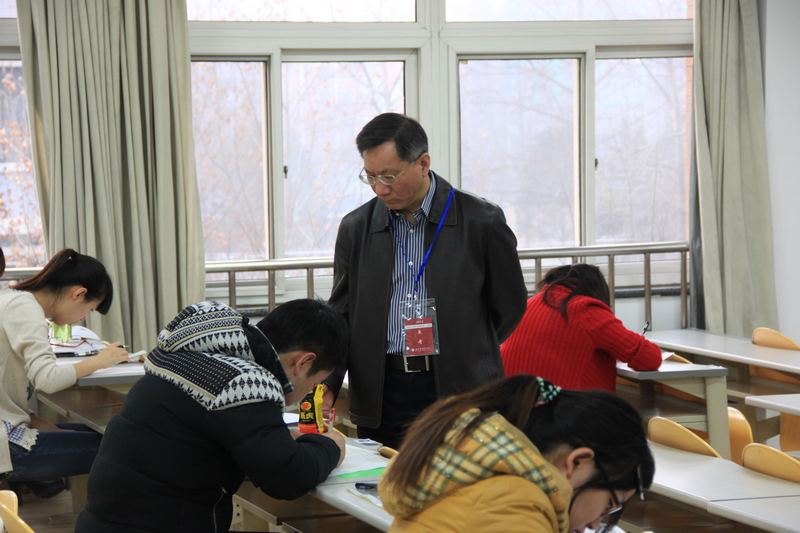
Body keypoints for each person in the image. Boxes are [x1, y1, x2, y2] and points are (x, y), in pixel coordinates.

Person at [324, 112, 527, 450]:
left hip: (459, 387)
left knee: (461, 478)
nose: (380, 188)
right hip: (382, 388)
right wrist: (330, 380)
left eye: (389, 176)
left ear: (423, 163)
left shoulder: (480, 220)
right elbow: (341, 314)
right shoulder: (357, 227)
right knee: (385, 478)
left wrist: (468, 347)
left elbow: (510, 305)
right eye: (370, 176)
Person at [76, 298, 349, 533]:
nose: (308, 393)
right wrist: (330, 446)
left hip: (104, 520)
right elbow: (288, 477)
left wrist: (278, 438)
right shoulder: (243, 382)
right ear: (303, 362)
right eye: (314, 384)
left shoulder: (191, 354)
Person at [379, 375, 655, 533]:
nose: (595, 524)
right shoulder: (517, 507)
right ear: (577, 462)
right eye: (609, 504)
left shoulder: (481, 476)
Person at [0, 248, 129, 497]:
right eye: (89, 309)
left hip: (8, 431)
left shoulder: (11, 300)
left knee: (112, 434)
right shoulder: (24, 308)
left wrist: (50, 429)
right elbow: (47, 379)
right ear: (78, 293)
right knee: (124, 445)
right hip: (7, 444)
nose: (81, 318)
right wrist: (102, 360)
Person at [501, 263, 662, 392]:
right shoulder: (585, 310)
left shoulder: (528, 306)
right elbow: (650, 358)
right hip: (561, 413)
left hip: (510, 410)